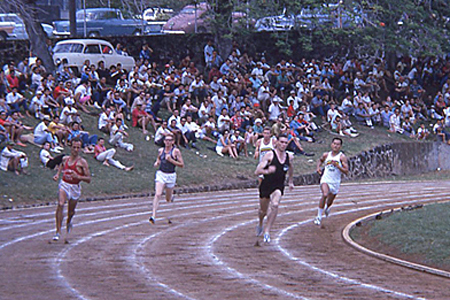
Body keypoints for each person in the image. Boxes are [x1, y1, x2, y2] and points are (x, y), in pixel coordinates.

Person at [254, 134, 294, 243]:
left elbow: (291, 168)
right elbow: (257, 171)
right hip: (266, 184)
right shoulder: (269, 155)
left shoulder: (289, 156)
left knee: (275, 204)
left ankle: (267, 231)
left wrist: (290, 181)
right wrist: (267, 171)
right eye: (281, 142)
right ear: (276, 142)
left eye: (286, 143)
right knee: (263, 211)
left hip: (278, 185)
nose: (283, 144)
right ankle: (261, 222)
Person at [52, 138, 91, 242]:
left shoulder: (82, 163)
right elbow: (61, 165)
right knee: (60, 204)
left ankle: (69, 222)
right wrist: (57, 174)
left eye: (78, 148)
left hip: (75, 187)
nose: (76, 149)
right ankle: (58, 231)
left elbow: (88, 179)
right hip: (64, 184)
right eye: (74, 147)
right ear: (70, 147)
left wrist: (78, 176)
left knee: (71, 212)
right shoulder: (65, 159)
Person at [149, 133, 184, 224]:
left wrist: (171, 160)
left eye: (169, 140)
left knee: (168, 199)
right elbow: (159, 159)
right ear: (164, 141)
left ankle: (171, 198)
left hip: (171, 175)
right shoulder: (161, 150)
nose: (167, 142)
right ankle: (153, 216)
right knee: (158, 194)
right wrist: (157, 163)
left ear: (173, 142)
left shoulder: (176, 151)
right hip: (161, 174)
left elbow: (181, 165)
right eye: (166, 140)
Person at [314, 137, 349, 226]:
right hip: (326, 179)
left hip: (335, 182)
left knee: (330, 200)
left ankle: (327, 207)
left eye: (337, 144)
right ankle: (318, 217)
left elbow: (346, 171)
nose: (335, 146)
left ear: (340, 146)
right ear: (331, 144)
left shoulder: (342, 157)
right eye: (334, 144)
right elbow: (320, 160)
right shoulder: (326, 155)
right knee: (325, 194)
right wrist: (318, 168)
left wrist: (338, 166)